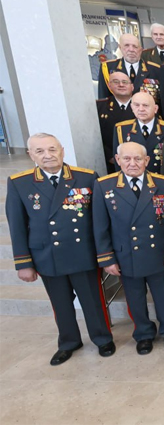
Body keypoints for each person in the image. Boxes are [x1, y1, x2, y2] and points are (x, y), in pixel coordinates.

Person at [6, 133, 115, 365]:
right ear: (31, 155)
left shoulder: (86, 178)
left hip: (82, 253)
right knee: (61, 304)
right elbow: (17, 226)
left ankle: (102, 338)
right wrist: (23, 263)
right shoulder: (19, 183)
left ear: (62, 150)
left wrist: (104, 254)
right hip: (47, 255)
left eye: (52, 149)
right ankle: (68, 342)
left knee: (93, 301)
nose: (48, 155)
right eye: (40, 151)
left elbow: (99, 221)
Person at [92, 141, 164, 355]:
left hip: (158, 253)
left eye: (138, 158)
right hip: (126, 254)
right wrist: (107, 258)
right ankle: (143, 334)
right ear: (118, 160)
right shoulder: (104, 186)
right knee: (135, 298)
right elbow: (100, 226)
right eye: (126, 158)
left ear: (147, 160)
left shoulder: (163, 184)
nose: (132, 163)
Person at [113, 92, 164, 174]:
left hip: (162, 178)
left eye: (145, 105)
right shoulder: (121, 129)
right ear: (131, 107)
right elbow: (119, 163)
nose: (141, 109)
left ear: (155, 109)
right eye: (137, 105)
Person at [97, 71, 137, 173]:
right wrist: (110, 156)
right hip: (112, 163)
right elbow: (95, 136)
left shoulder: (142, 104)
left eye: (125, 82)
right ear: (109, 86)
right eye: (116, 82)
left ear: (132, 86)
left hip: (138, 160)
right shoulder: (99, 107)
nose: (121, 85)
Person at [98, 33, 159, 100]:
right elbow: (103, 98)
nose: (131, 49)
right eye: (126, 46)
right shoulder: (107, 68)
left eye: (135, 46)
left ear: (141, 50)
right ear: (120, 48)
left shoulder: (155, 69)